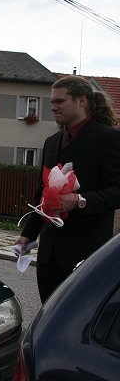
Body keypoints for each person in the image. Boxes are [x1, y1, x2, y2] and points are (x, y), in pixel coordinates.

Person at [14, 75, 120, 303]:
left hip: (86, 253)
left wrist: (80, 200)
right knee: (49, 316)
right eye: (52, 102)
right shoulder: (52, 142)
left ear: (81, 101)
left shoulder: (108, 139)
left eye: (60, 102)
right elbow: (42, 193)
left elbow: (116, 191)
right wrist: (28, 234)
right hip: (49, 254)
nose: (53, 107)